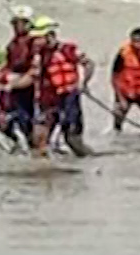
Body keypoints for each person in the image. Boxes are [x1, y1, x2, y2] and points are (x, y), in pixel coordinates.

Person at [31, 18, 94, 158]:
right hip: (47, 102)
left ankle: (88, 163)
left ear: (49, 36)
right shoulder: (37, 56)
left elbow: (89, 63)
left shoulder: (68, 50)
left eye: (38, 38)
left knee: (73, 140)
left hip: (69, 100)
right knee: (39, 140)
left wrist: (84, 83)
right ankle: (43, 173)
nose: (35, 42)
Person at [0, 5, 38, 147]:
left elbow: (35, 69)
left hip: (28, 89)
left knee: (25, 121)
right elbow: (9, 63)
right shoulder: (13, 43)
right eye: (15, 23)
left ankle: (33, 147)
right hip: (12, 86)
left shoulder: (35, 43)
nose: (17, 26)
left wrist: (18, 82)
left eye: (21, 23)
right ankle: (15, 142)